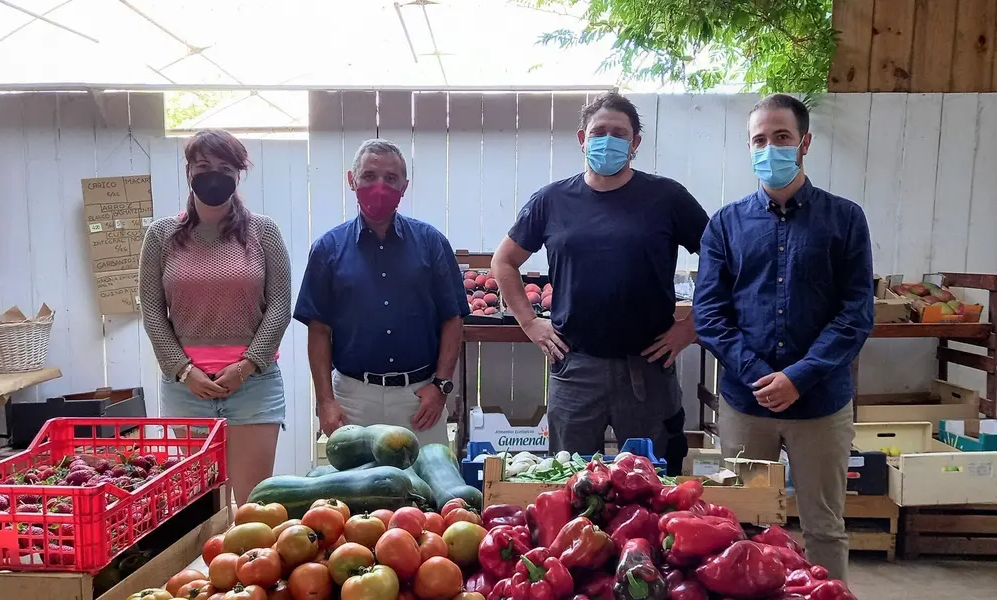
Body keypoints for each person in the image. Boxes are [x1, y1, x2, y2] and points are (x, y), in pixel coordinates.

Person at [693, 94, 874, 581]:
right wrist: (757, 375)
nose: (769, 148)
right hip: (746, 409)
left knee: (824, 526)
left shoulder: (846, 220)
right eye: (759, 139)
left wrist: (799, 376)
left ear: (804, 143)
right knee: (742, 524)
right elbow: (709, 314)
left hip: (821, 406)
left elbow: (855, 314)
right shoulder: (725, 225)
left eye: (781, 137)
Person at [491, 92, 708, 474]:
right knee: (570, 485)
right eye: (599, 132)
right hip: (575, 369)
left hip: (648, 369)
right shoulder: (551, 200)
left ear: (635, 143)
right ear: (582, 139)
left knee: (652, 486)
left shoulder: (667, 197)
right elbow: (504, 261)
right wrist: (529, 322)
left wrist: (690, 327)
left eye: (619, 133)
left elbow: (720, 259)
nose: (608, 140)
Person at [139, 129, 292, 504]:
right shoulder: (161, 235)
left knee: (254, 507)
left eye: (225, 167)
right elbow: (153, 311)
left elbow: (280, 306)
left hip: (253, 387)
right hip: (185, 389)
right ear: (188, 170)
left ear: (238, 175)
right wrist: (183, 370)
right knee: (200, 507)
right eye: (203, 165)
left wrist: (246, 366)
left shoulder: (263, 232)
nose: (213, 174)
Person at [295, 138, 469, 447]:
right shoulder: (327, 249)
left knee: (429, 491)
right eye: (369, 176)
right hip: (352, 400)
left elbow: (453, 318)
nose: (379, 185)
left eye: (391, 178)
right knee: (355, 493)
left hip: (419, 399)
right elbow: (319, 330)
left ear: (404, 186)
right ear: (352, 180)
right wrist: (325, 402)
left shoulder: (431, 243)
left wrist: (441, 386)